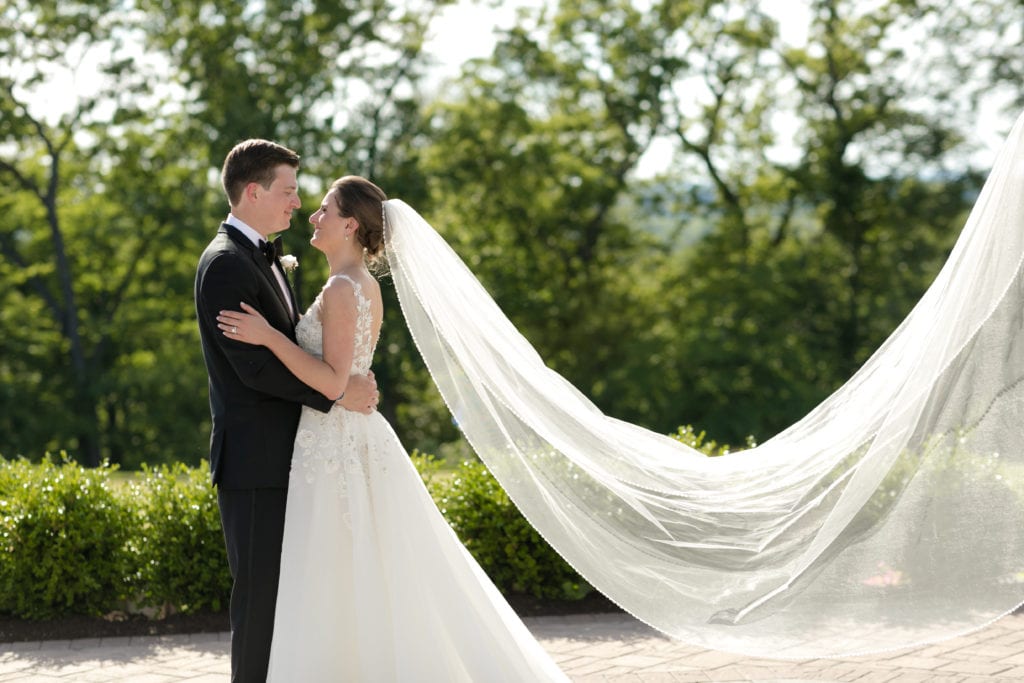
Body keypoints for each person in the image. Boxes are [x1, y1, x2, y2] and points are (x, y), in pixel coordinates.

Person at [216, 175, 567, 681]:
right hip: (344, 438)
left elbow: (335, 381)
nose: (313, 217)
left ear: (350, 224)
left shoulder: (342, 288)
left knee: (335, 574)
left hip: (335, 442)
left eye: (324, 210)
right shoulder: (361, 284)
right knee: (365, 575)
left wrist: (270, 337)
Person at [194, 142, 379, 683]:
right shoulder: (227, 263)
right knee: (259, 602)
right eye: (289, 190)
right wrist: (340, 392)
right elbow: (253, 369)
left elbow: (309, 349)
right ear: (253, 192)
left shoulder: (263, 255)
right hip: (255, 463)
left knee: (291, 600)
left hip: (294, 456)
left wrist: (341, 379)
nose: (298, 203)